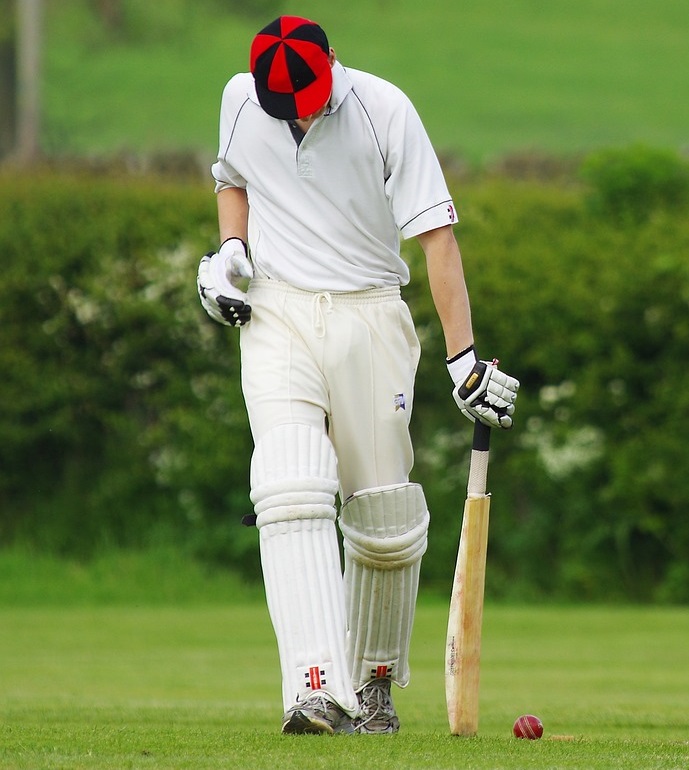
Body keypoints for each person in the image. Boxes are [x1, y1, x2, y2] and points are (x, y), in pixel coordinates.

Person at [197, 15, 519, 735]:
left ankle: (372, 682)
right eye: (289, 104)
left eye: (310, 96)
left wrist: (462, 359)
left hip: (370, 311)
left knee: (384, 518)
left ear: (332, 64)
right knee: (290, 485)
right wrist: (229, 253)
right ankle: (314, 688)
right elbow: (231, 182)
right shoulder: (242, 100)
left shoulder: (384, 110)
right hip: (276, 311)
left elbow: (436, 236)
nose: (302, 112)